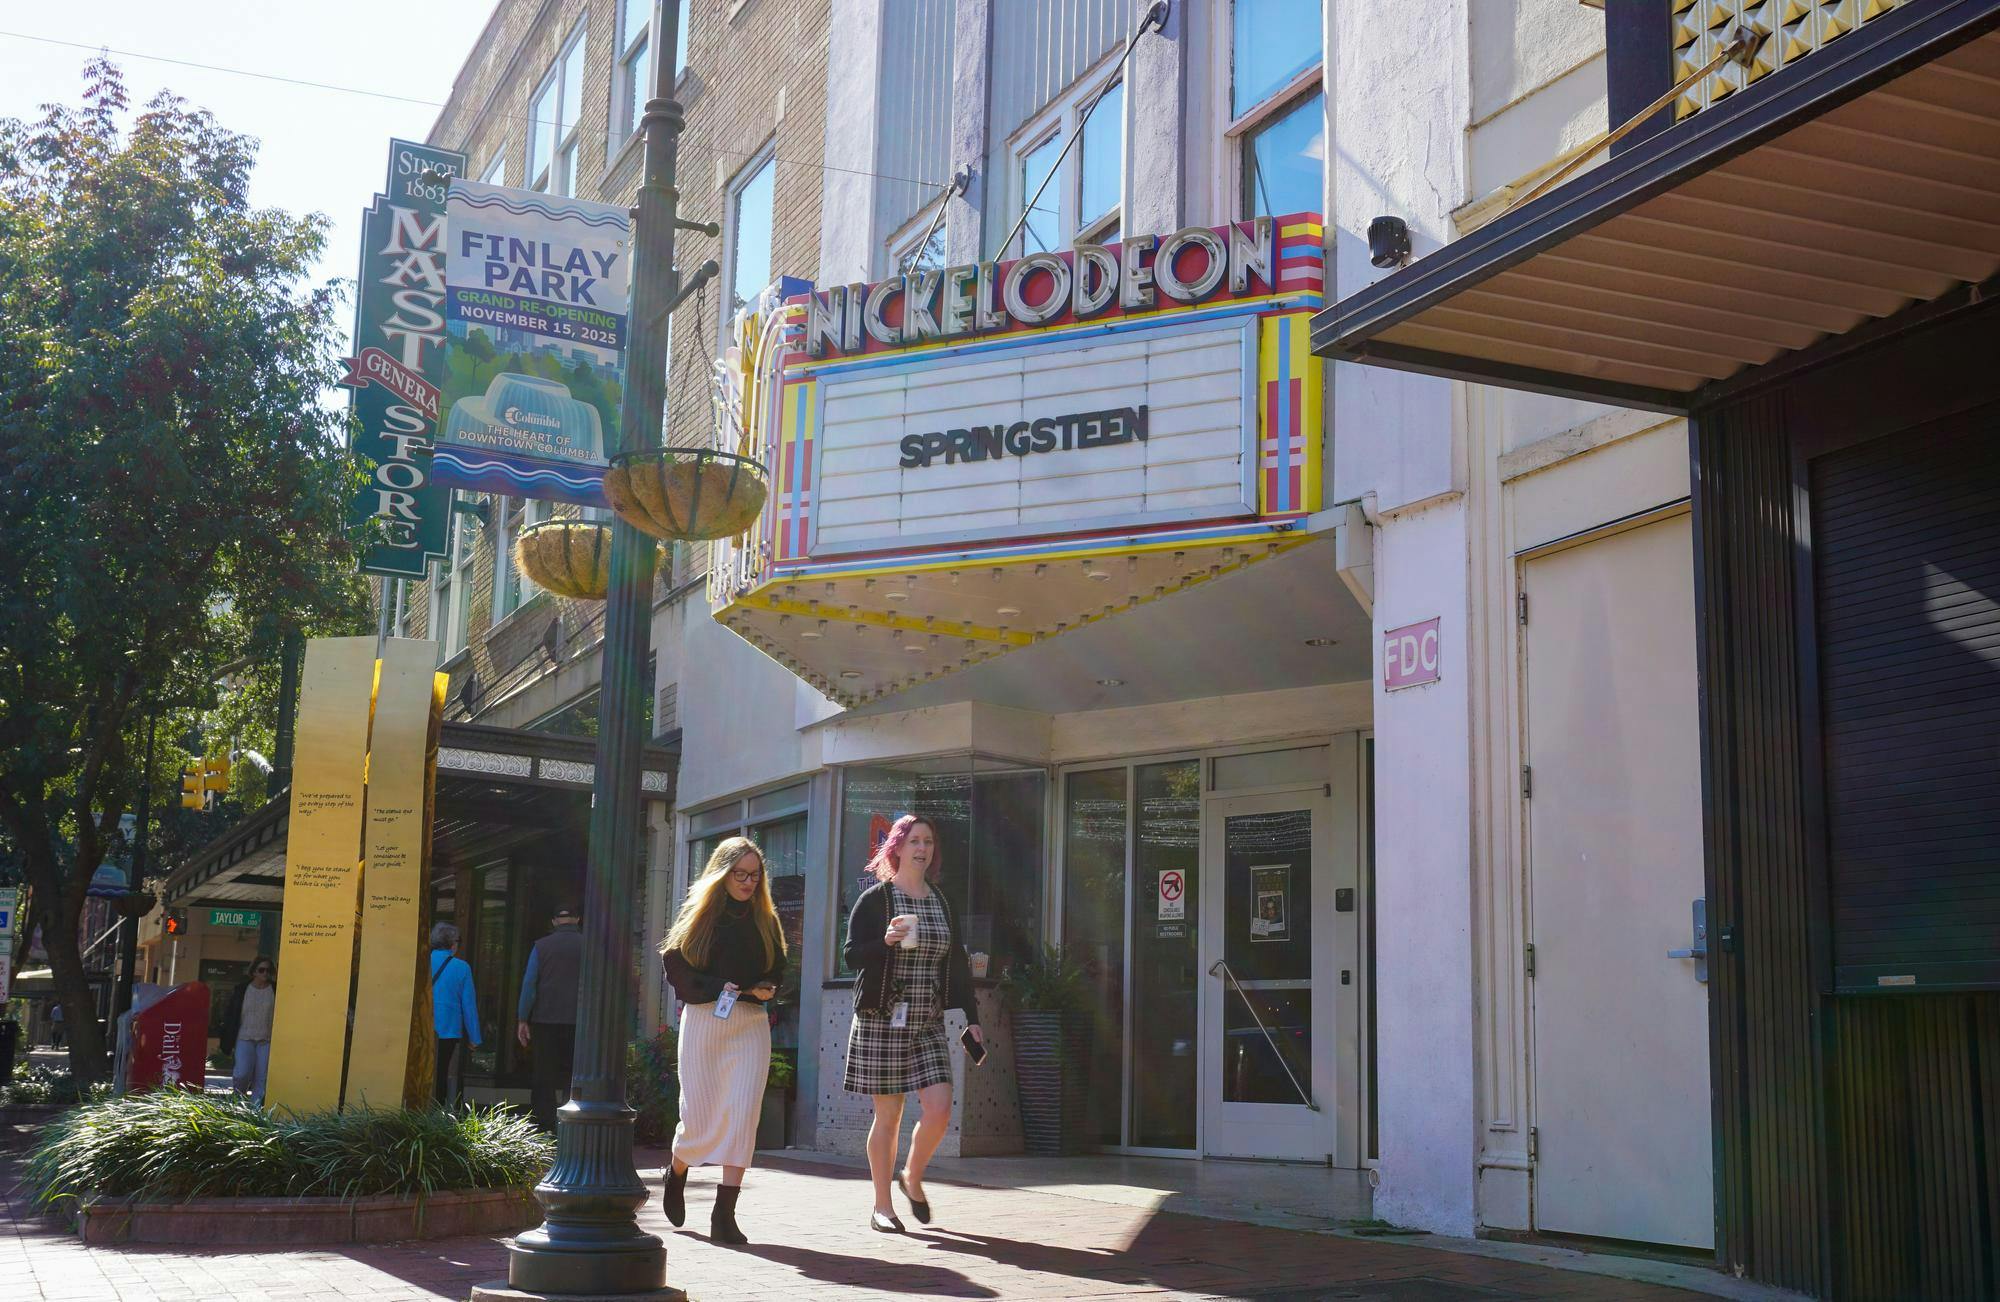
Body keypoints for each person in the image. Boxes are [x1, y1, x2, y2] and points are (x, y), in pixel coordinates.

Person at [841, 814, 984, 1233]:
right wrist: (883, 942)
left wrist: (971, 1018)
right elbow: (850, 956)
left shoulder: (941, 901)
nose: (923, 849)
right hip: (882, 1019)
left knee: (939, 1109)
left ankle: (912, 1177)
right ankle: (882, 1207)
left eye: (929, 842)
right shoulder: (877, 900)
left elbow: (956, 962)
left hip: (927, 1022)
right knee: (889, 1116)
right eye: (914, 841)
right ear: (897, 848)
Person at [657, 836, 788, 1245]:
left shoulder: (766, 919)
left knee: (744, 1112)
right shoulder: (700, 916)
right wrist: (721, 986)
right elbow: (675, 967)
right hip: (705, 1021)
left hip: (749, 1022)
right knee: (698, 1114)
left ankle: (724, 1213)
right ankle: (677, 1171)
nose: (748, 882)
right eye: (740, 874)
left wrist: (767, 988)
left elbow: (780, 968)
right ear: (722, 873)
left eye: (755, 875)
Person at [517, 905, 583, 1131]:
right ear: (577, 919)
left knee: (544, 1073)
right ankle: (571, 1122)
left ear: (554, 922)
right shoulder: (589, 946)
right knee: (574, 1073)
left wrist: (523, 1018)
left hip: (546, 1019)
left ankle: (544, 1123)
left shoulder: (541, 946)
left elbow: (529, 984)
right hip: (579, 1021)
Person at [428, 923, 480, 1108]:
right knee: (441, 1070)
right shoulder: (462, 967)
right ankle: (437, 1110)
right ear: (452, 944)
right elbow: (469, 1005)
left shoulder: (421, 961)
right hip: (448, 1028)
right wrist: (474, 1037)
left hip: (422, 1025)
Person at [221, 957, 277, 1104]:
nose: (265, 973)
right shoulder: (242, 989)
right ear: (253, 972)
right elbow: (231, 1014)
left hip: (266, 1040)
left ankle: (254, 1109)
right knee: (241, 1073)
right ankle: (237, 1100)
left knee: (261, 1077)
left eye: (268, 970)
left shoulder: (275, 990)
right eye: (261, 970)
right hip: (244, 1038)